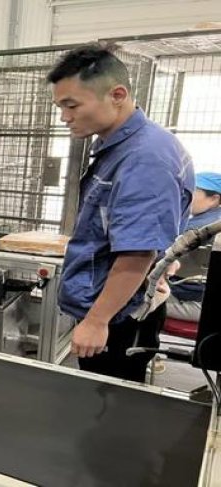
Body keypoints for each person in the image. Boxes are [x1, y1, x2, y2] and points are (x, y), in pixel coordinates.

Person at [48, 44, 195, 382]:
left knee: (111, 399)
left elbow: (136, 254)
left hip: (120, 317)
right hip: (117, 305)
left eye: (72, 105)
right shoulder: (121, 145)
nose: (65, 117)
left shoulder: (145, 158)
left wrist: (96, 321)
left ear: (117, 95)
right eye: (61, 107)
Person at [166, 172, 221, 322]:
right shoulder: (212, 219)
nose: (185, 195)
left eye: (193, 191)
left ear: (214, 199)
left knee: (133, 301)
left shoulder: (202, 227)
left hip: (192, 302)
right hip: (194, 296)